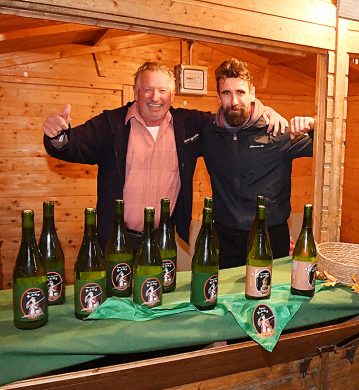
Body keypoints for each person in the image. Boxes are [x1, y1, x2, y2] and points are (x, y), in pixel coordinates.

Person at [42, 62, 287, 251]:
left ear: (172, 96)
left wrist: (266, 111)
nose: (155, 97)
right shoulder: (110, 124)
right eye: (147, 90)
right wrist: (59, 136)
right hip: (115, 239)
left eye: (162, 91)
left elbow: (232, 117)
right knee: (115, 307)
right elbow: (73, 145)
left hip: (163, 239)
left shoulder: (190, 125)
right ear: (136, 92)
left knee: (158, 307)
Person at [201, 58, 314, 269]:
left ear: (252, 93)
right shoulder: (209, 133)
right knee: (226, 298)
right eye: (226, 93)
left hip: (271, 236)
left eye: (241, 92)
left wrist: (314, 125)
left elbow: (329, 148)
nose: (234, 101)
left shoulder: (278, 132)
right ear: (218, 96)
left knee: (273, 298)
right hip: (226, 238)